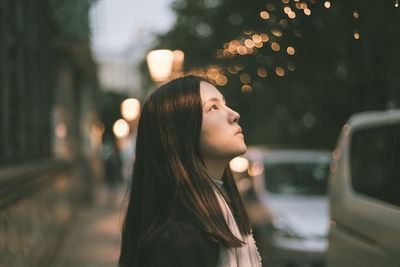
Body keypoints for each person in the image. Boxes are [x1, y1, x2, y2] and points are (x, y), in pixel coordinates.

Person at [119, 75, 261, 267]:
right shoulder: (178, 240)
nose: (234, 114)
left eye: (225, 104)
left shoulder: (220, 212)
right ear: (180, 133)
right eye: (213, 107)